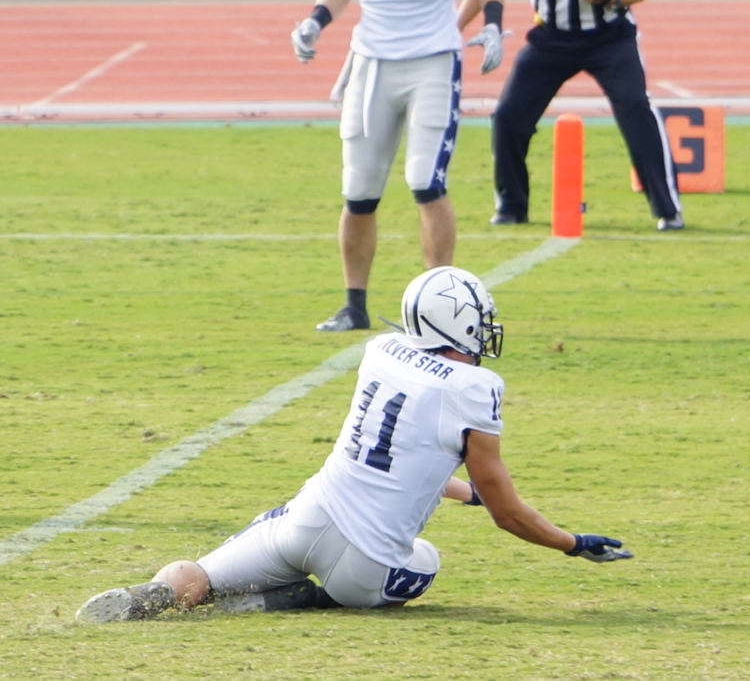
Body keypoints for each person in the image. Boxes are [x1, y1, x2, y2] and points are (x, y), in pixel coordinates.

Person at [76, 267, 633, 623]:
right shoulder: (474, 387)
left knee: (195, 574)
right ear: (457, 325)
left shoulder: (382, 351)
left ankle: (156, 594)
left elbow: (409, 456)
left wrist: (471, 495)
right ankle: (295, 600)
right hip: (365, 568)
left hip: (305, 524)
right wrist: (571, 542)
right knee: (426, 560)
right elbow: (507, 513)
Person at [290, 0, 507, 332]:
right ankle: (354, 307)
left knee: (426, 181)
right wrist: (315, 21)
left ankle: (435, 310)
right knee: (358, 188)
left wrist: (492, 21)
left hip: (433, 61)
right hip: (371, 64)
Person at [478, 0, 684, 231]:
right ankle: (511, 206)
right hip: (550, 38)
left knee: (635, 107)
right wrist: (484, 25)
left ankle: (668, 209)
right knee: (508, 115)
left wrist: (613, 0)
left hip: (609, 37)